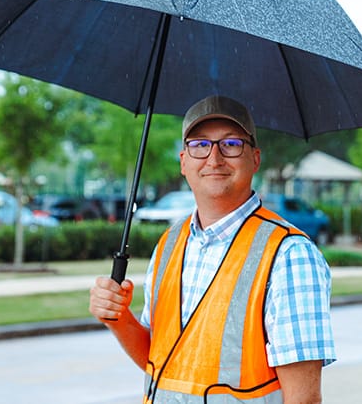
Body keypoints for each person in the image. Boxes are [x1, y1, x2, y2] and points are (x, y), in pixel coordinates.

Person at [90, 95, 335, 403]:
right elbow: (165, 363)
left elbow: (304, 399)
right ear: (183, 161)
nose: (214, 158)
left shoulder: (289, 256)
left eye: (231, 144)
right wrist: (119, 318)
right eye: (200, 145)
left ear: (255, 158)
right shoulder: (169, 244)